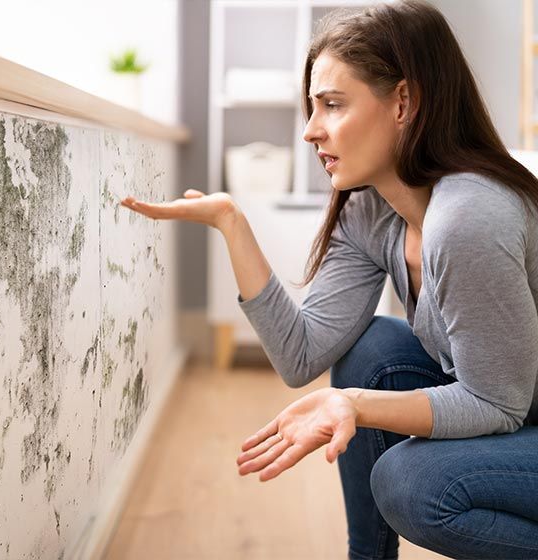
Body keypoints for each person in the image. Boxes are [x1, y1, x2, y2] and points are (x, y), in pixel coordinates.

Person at [120, 1, 538, 558]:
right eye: (311, 108)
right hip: (517, 407)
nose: (310, 131)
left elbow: (498, 403)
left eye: (332, 106)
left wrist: (356, 406)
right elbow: (301, 355)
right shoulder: (371, 210)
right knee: (372, 348)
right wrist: (231, 224)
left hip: (517, 409)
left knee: (410, 482)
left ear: (404, 103)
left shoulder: (469, 218)